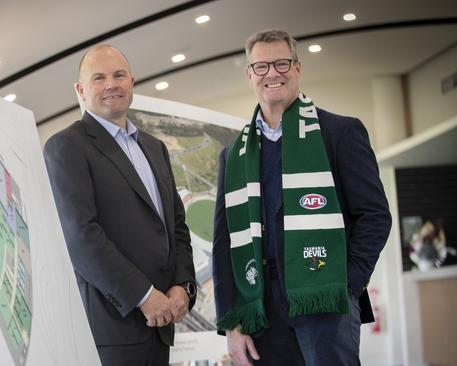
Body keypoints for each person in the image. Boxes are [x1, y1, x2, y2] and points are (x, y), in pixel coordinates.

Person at [212, 29, 391, 366]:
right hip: (261, 310)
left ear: (297, 68)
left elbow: (375, 216)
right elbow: (224, 244)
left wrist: (345, 282)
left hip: (326, 301)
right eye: (261, 67)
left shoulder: (340, 133)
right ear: (250, 75)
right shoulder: (233, 154)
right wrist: (232, 325)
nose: (273, 73)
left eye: (282, 63)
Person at [44, 44, 196, 366]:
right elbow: (81, 236)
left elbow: (176, 226)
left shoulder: (154, 148)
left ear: (132, 82)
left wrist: (182, 285)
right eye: (99, 78)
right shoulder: (66, 146)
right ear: (81, 90)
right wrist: (143, 296)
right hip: (115, 328)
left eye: (119, 75)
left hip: (162, 322)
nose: (111, 84)